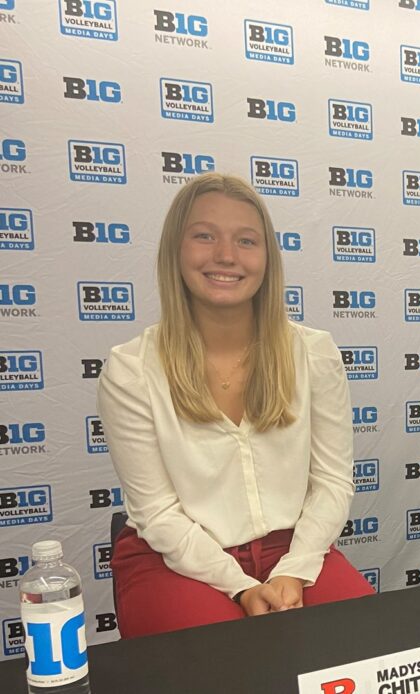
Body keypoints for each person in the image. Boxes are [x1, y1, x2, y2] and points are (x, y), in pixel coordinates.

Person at [98, 173, 372, 638]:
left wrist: (294, 569)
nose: (225, 256)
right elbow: (158, 514)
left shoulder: (314, 353)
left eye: (246, 240)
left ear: (267, 259)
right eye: (205, 236)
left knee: (369, 644)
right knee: (225, 666)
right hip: (176, 558)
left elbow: (331, 481)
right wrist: (242, 587)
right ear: (175, 250)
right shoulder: (130, 371)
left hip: (295, 549)